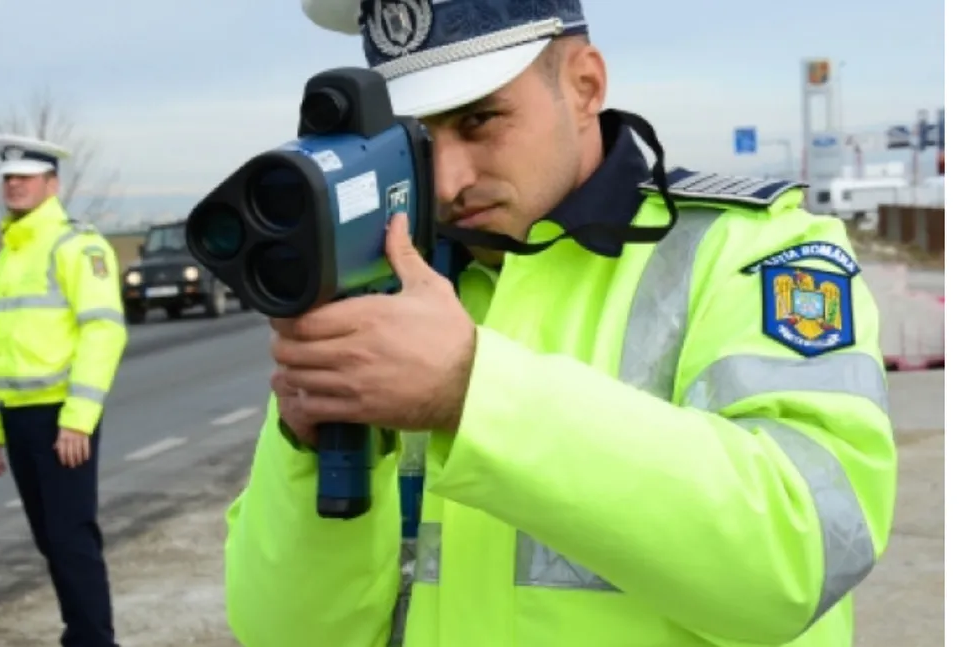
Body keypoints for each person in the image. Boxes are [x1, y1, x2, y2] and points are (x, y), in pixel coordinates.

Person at [223, 1, 898, 646]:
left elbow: (803, 553)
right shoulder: (384, 296)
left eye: (481, 119)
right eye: (419, 143)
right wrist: (306, 447)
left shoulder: (750, 253)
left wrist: (473, 391)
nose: (451, 179)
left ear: (584, 85)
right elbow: (287, 632)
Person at [0, 133, 128, 647]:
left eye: (25, 177)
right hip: (18, 415)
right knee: (50, 540)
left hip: (61, 416)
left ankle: (93, 641)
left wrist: (77, 419)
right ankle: (79, 635)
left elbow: (104, 331)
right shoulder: (9, 255)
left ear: (51, 183)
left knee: (70, 538)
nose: (14, 185)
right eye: (7, 178)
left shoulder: (76, 245)